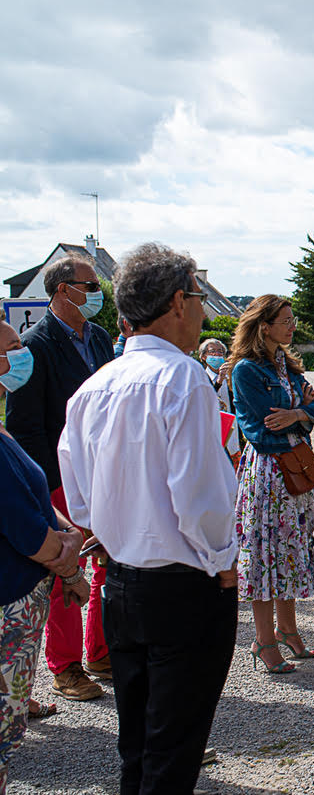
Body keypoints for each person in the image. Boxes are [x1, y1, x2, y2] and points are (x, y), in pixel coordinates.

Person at [56, 243, 239, 795]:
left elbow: (79, 494)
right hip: (184, 586)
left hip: (123, 584)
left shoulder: (95, 385)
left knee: (135, 742)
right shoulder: (184, 379)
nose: (205, 310)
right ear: (177, 303)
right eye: (199, 297)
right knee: (174, 749)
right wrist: (224, 561)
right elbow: (201, 498)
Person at [4, 252, 113, 702]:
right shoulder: (35, 345)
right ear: (62, 290)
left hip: (104, 472)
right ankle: (65, 666)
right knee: (66, 570)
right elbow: (26, 427)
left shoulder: (101, 338)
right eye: (90, 286)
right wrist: (48, 489)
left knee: (106, 562)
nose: (97, 294)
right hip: (60, 476)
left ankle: (100, 651)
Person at [0, 318, 91, 794]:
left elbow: (33, 494)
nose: (22, 355)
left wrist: (66, 528)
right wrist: (71, 563)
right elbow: (25, 529)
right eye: (13, 348)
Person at [228, 295, 314, 674]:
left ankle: (289, 631)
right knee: (265, 556)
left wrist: (298, 413)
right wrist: (300, 416)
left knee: (288, 551)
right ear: (263, 325)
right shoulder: (246, 370)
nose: (292, 325)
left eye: (292, 318)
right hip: (268, 471)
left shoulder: (287, 364)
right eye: (284, 319)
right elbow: (261, 430)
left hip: (294, 468)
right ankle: (264, 640)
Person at [199, 338, 241, 463]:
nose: (217, 354)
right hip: (213, 431)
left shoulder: (231, 376)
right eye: (212, 352)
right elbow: (205, 400)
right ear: (203, 356)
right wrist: (219, 382)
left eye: (220, 351)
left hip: (233, 430)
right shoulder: (201, 376)